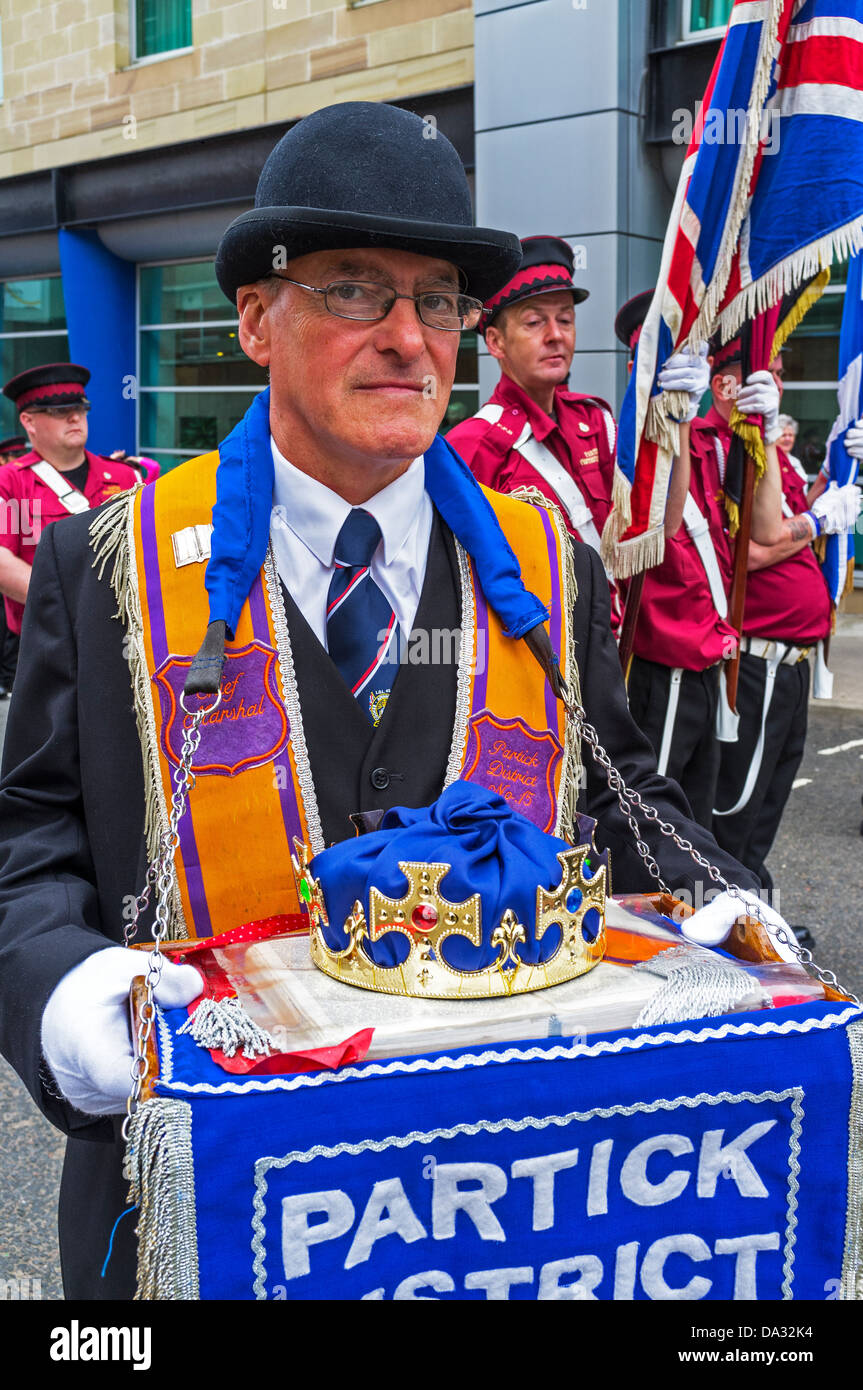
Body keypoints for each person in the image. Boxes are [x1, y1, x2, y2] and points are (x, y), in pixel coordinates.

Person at [0, 102, 794, 1301]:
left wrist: (722, 907)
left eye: (436, 301)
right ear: (257, 320)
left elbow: (626, 791)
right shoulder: (110, 561)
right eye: (356, 290)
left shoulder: (543, 560)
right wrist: (68, 993)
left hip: (495, 1210)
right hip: (189, 1216)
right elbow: (27, 845)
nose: (409, 340)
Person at [613, 295, 785, 829]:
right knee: (652, 825)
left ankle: (697, 913)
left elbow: (763, 531)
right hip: (662, 664)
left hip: (708, 659)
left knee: (698, 820)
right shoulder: (629, 444)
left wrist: (769, 436)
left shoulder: (712, 446)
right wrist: (668, 419)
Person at [704, 340, 861, 891]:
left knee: (769, 802)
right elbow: (755, 548)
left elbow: (792, 517)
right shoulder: (728, 449)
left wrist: (838, 478)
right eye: (764, 373)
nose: (778, 381)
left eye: (779, 372)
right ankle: (732, 919)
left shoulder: (769, 452)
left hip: (789, 662)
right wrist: (818, 520)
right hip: (756, 659)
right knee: (738, 807)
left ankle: (757, 910)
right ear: (727, 384)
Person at [445, 236, 623, 626]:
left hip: (613, 647)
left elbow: (637, 528)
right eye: (534, 322)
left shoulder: (594, 422)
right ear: (495, 342)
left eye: (565, 320)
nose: (555, 334)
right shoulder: (470, 447)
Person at [0, 364, 146, 641]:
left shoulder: (125, 475)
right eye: (59, 411)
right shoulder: (10, 481)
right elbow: (2, 561)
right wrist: (74, 603)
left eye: (80, 409)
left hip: (121, 634)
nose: (74, 418)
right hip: (47, 638)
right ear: (29, 422)